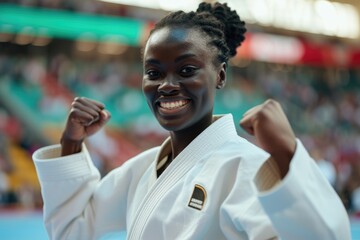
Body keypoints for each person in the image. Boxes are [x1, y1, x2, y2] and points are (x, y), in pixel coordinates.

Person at [32, 2, 350, 240]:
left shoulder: (246, 168)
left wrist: (287, 154)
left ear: (220, 75)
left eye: (186, 70)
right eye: (154, 73)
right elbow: (71, 230)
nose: (167, 85)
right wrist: (71, 144)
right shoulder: (141, 169)